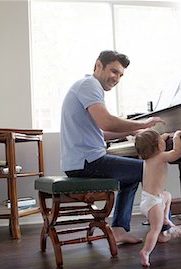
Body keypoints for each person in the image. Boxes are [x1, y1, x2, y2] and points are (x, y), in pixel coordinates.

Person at [60, 50, 166, 245]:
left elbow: (102, 133)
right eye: (113, 71)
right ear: (98, 65)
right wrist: (142, 124)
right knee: (151, 168)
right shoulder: (89, 85)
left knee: (133, 170)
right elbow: (106, 122)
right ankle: (161, 227)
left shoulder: (86, 87)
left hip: (83, 159)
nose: (116, 78)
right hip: (87, 162)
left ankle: (119, 229)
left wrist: (131, 132)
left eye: (120, 75)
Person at [134, 129, 181, 267]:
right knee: (155, 229)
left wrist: (162, 137)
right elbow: (177, 153)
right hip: (153, 203)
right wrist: (176, 136)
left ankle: (166, 217)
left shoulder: (148, 159)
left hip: (150, 199)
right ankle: (146, 251)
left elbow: (157, 143)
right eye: (161, 141)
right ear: (159, 146)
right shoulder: (161, 157)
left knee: (167, 195)